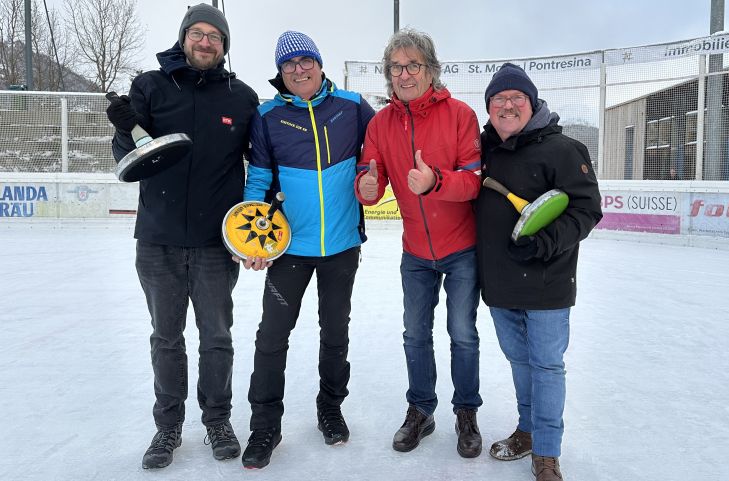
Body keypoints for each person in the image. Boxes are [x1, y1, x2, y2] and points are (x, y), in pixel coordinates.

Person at [105, 4, 258, 470]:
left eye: (215, 35)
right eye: (198, 33)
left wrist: (261, 229)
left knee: (216, 336)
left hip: (217, 242)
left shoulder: (242, 97)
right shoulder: (150, 86)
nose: (206, 42)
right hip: (158, 239)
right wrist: (125, 128)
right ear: (183, 38)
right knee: (165, 337)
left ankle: (217, 420)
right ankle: (168, 425)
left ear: (224, 45)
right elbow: (128, 159)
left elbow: (263, 164)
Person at [238, 30, 375, 470]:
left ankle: (331, 409)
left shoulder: (352, 107)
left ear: (319, 63)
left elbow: (381, 153)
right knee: (272, 336)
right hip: (288, 249)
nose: (298, 69)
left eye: (305, 61)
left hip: (341, 246)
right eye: (288, 65)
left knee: (335, 333)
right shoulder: (268, 115)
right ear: (280, 74)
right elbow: (258, 181)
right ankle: (265, 425)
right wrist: (253, 240)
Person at [355, 28, 483, 458]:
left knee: (463, 334)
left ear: (431, 69)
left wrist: (434, 182)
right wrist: (368, 186)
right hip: (415, 253)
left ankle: (466, 412)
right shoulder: (380, 122)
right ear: (388, 73)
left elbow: (473, 182)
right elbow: (369, 179)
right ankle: (420, 410)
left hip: (462, 248)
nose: (404, 74)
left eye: (413, 65)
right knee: (415, 334)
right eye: (396, 66)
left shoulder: (461, 115)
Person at [475, 63, 603, 481]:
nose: (508, 105)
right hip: (499, 282)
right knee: (518, 361)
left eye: (516, 98)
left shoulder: (564, 149)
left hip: (548, 281)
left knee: (546, 365)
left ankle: (546, 452)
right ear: (489, 107)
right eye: (499, 99)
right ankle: (527, 430)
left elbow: (587, 210)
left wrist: (546, 242)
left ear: (531, 103)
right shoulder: (482, 149)